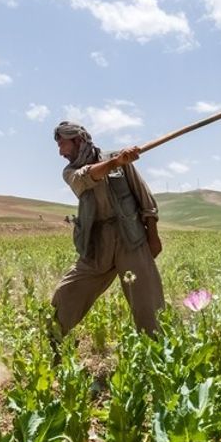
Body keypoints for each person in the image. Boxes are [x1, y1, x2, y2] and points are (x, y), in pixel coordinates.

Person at [51, 120, 164, 337]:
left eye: (62, 144)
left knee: (147, 303)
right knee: (66, 293)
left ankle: (157, 352)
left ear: (77, 140)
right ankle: (53, 341)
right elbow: (87, 176)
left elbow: (144, 198)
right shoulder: (71, 172)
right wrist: (116, 162)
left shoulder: (120, 162)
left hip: (131, 238)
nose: (60, 152)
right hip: (97, 243)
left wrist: (153, 236)